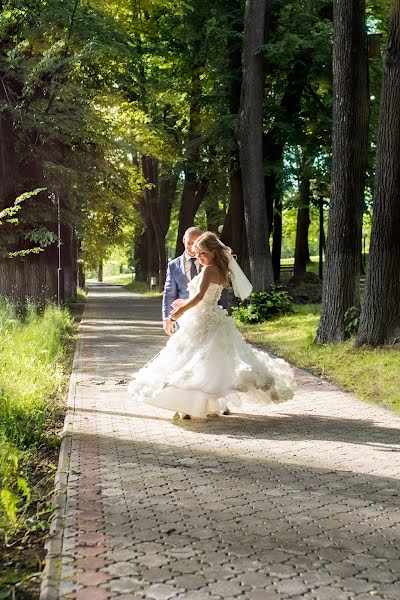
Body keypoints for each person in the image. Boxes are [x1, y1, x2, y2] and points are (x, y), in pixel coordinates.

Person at [128, 232, 294, 419]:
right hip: (212, 317)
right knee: (208, 363)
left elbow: (199, 297)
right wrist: (183, 303)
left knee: (192, 361)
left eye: (202, 254)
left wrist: (182, 311)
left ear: (213, 252)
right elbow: (205, 297)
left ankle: (192, 406)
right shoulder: (221, 270)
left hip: (202, 320)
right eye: (197, 254)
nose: (199, 258)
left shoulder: (208, 270)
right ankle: (205, 405)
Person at [162, 227, 229, 336]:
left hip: (205, 319)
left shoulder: (208, 268)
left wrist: (181, 309)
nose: (197, 254)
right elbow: (169, 293)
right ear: (183, 240)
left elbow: (202, 296)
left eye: (201, 251)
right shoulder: (174, 265)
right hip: (189, 319)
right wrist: (167, 318)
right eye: (190, 243)